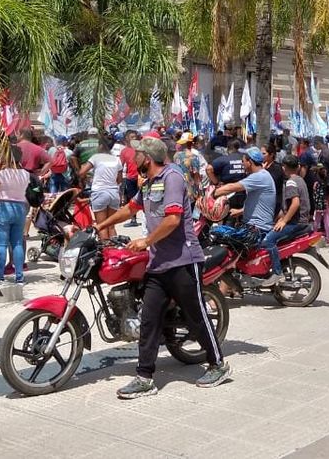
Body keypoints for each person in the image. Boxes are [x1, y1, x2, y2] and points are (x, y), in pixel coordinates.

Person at [95, 136, 230, 398]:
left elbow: (172, 219)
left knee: (196, 315)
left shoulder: (172, 177)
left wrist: (146, 241)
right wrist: (101, 224)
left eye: (137, 155)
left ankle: (218, 364)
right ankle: (144, 377)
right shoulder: (148, 184)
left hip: (183, 260)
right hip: (158, 264)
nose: (133, 159)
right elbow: (130, 209)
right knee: (149, 320)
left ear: (148, 157)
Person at [212, 147, 277, 280]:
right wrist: (241, 211)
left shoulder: (259, 177)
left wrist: (213, 193)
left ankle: (227, 285)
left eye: (243, 161)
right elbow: (260, 202)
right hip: (253, 225)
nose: (242, 164)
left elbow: (234, 187)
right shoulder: (261, 175)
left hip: (256, 229)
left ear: (250, 162)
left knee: (219, 235)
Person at [257, 155, 311, 286]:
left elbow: (295, 204)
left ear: (284, 168)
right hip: (302, 221)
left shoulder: (291, 182)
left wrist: (284, 221)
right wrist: (277, 220)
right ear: (297, 167)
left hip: (296, 224)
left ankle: (277, 272)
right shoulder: (300, 180)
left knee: (268, 240)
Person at [0, 147, 30, 285]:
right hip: (20, 207)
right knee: (17, 243)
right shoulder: (26, 174)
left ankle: (0, 275)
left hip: (3, 207)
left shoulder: (2, 174)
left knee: (1, 244)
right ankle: (19, 276)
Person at [79, 139, 123, 240]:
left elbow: (82, 173)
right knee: (111, 226)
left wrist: (90, 177)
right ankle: (114, 251)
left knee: (102, 226)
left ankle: (105, 251)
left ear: (101, 146)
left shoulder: (95, 157)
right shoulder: (116, 159)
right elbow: (119, 180)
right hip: (113, 193)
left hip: (100, 192)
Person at [207, 139, 249, 210]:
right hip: (242, 191)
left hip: (228, 192)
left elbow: (208, 169)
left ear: (228, 148)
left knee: (228, 215)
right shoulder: (245, 158)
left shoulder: (223, 159)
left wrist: (216, 182)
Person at [119, 130, 142, 228]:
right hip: (130, 178)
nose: (134, 138)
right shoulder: (124, 151)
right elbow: (120, 165)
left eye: (135, 137)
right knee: (133, 199)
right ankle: (133, 219)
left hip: (141, 177)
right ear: (127, 139)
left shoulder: (140, 149)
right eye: (131, 137)